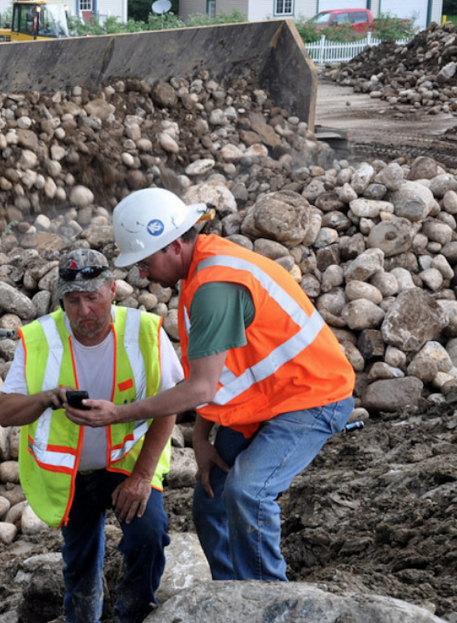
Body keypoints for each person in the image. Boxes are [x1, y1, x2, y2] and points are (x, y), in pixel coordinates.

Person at [73, 187, 355, 582]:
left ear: (173, 246)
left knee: (247, 493)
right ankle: (229, 594)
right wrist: (203, 438)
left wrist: (119, 413)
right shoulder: (200, 272)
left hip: (313, 397)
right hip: (270, 399)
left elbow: (200, 388)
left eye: (145, 260)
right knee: (211, 500)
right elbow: (214, 376)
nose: (141, 273)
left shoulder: (214, 287)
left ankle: (264, 601)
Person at [0, 248, 184, 623]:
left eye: (92, 298)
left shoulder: (144, 331)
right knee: (80, 562)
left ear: (112, 290)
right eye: (73, 300)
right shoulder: (39, 339)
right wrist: (47, 398)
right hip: (71, 476)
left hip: (128, 464)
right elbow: (5, 412)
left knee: (148, 536)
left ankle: (132, 614)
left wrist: (143, 477)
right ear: (61, 299)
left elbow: (168, 405)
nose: (83, 311)